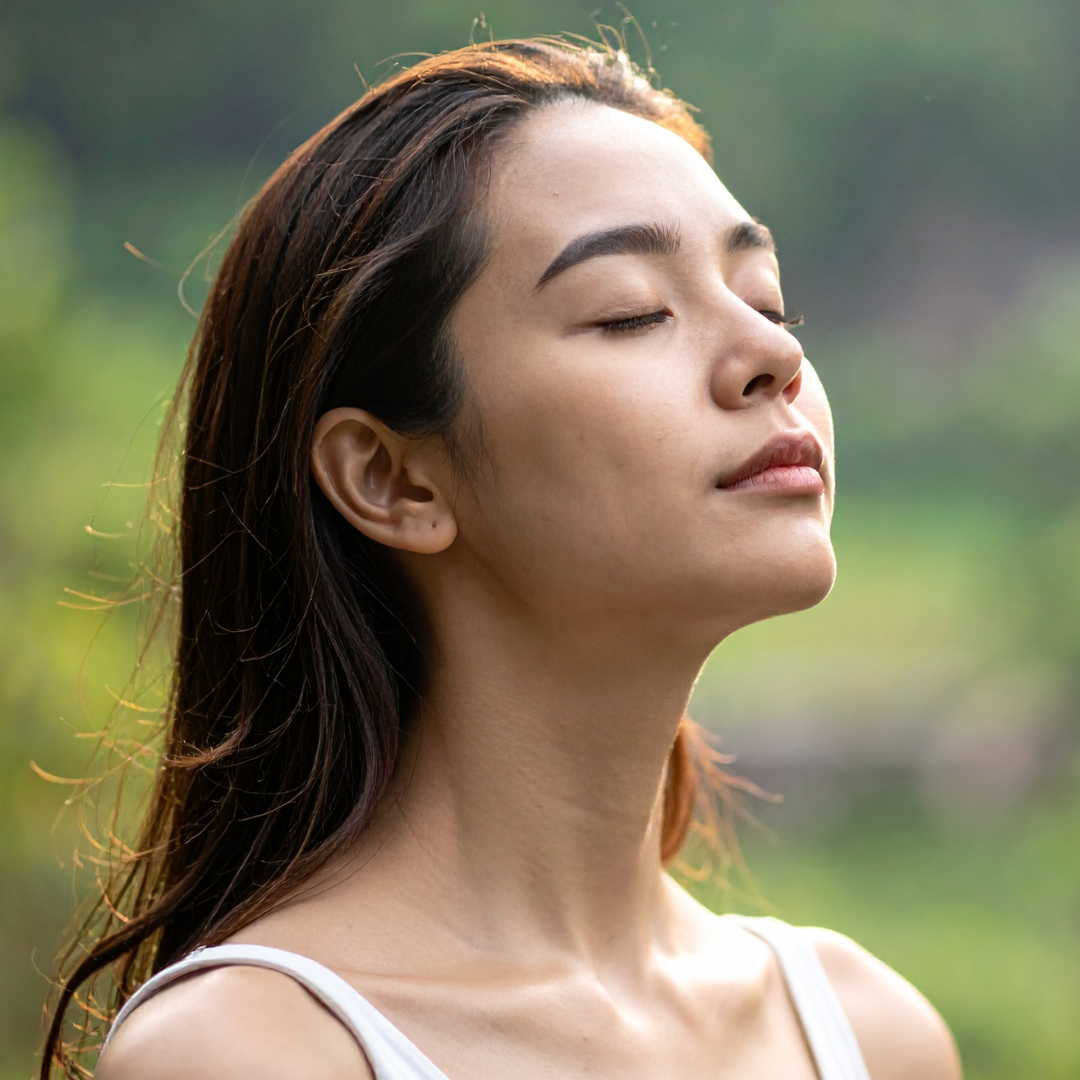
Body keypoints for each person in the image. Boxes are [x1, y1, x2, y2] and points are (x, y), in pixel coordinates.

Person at [43, 37, 962, 1080]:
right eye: (631, 312)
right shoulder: (254, 1054)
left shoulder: (868, 1035)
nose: (776, 357)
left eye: (764, 298)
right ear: (394, 481)